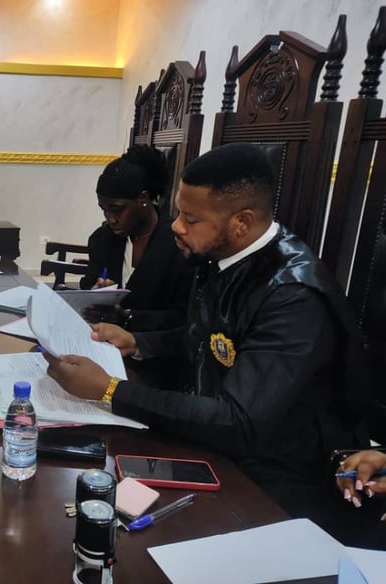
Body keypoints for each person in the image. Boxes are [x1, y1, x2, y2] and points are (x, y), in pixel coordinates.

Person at [45, 143, 375, 546]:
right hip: (217, 439)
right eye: (179, 213)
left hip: (279, 477)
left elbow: (239, 421)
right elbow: (209, 338)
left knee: (126, 536)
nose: (176, 227)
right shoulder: (222, 255)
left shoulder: (293, 297)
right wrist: (137, 342)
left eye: (191, 218)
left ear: (242, 222)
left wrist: (110, 389)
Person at [80, 146, 194, 331]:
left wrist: (127, 317)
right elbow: (88, 283)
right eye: (104, 209)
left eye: (117, 209)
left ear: (143, 199)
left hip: (155, 345)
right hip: (100, 339)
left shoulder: (180, 244)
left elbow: (185, 316)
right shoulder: (102, 239)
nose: (110, 219)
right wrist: (96, 292)